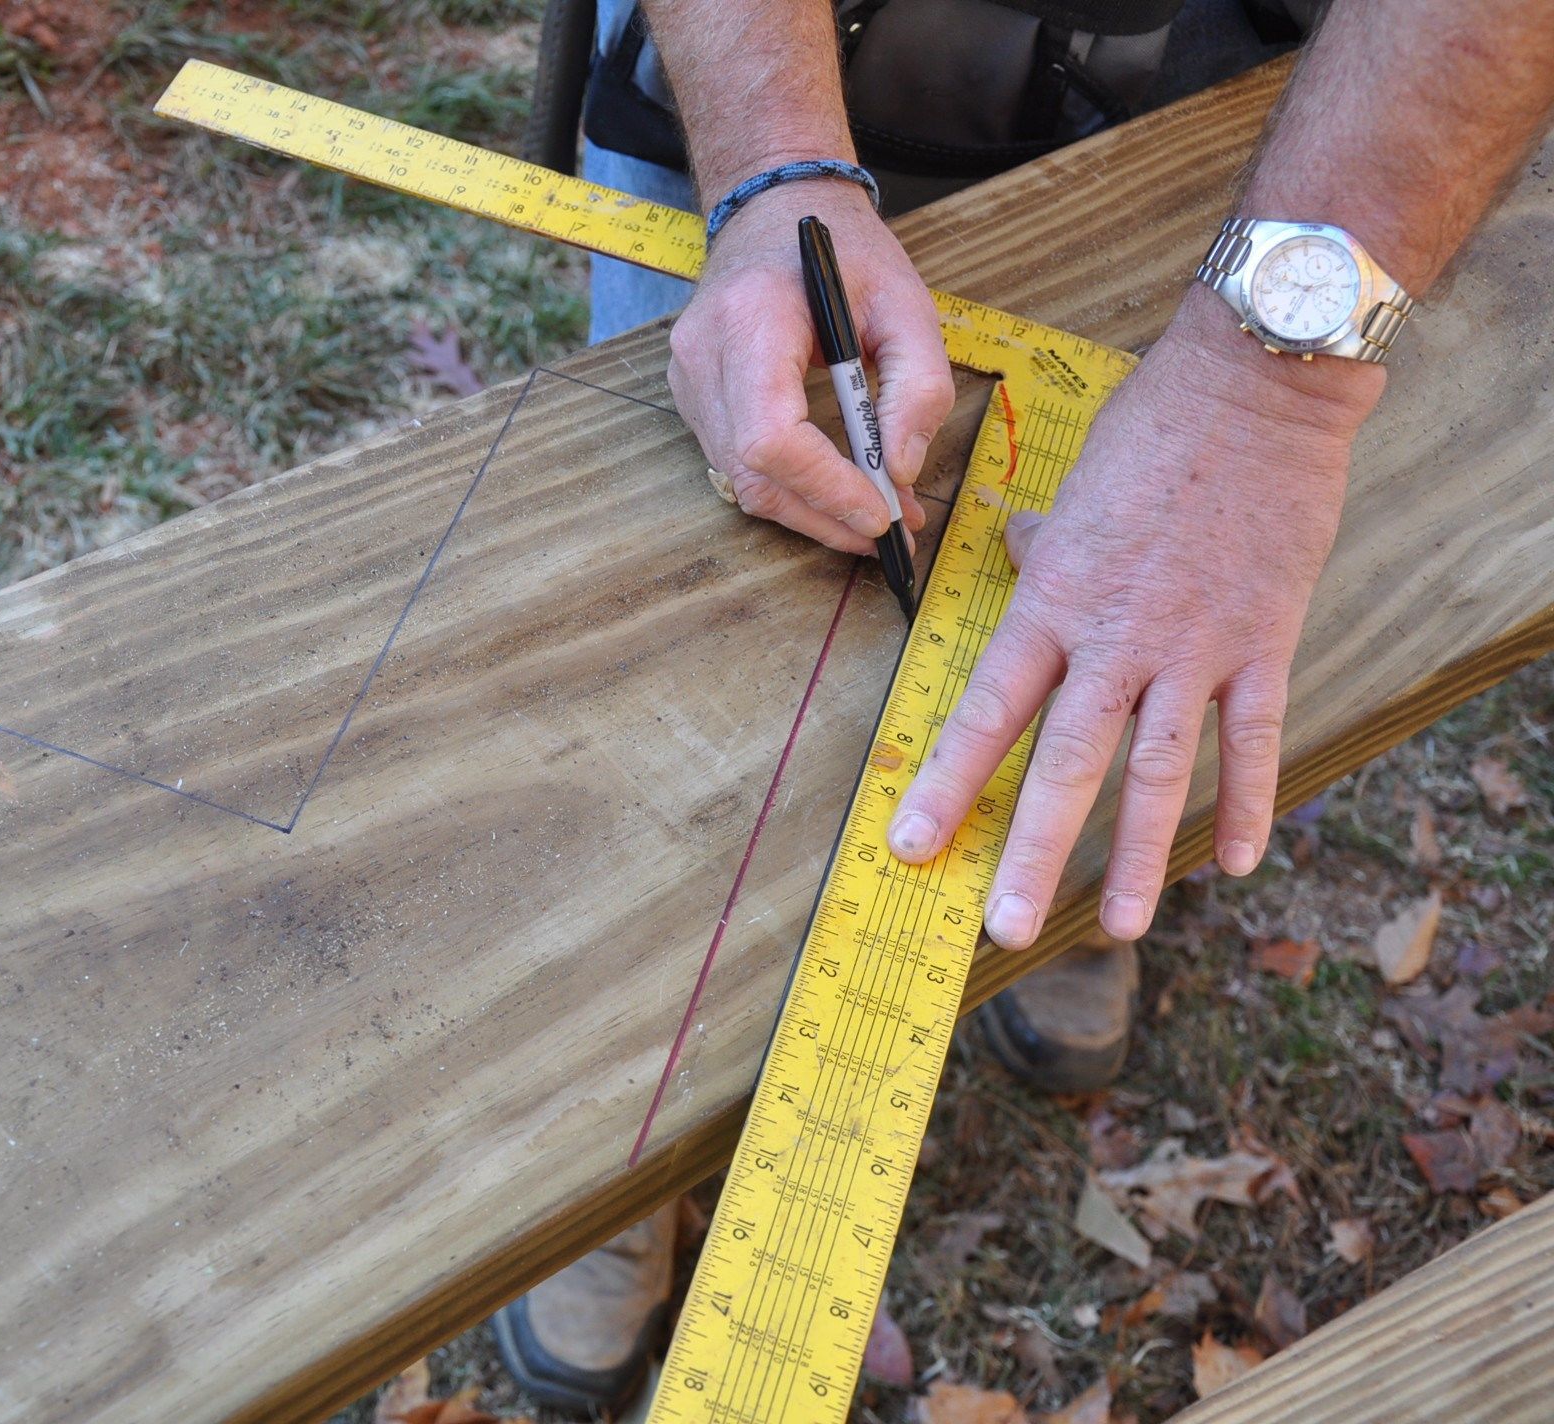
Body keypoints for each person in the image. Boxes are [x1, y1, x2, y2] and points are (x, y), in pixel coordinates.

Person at [490, 0, 1554, 1410]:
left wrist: (1265, 386)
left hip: (1232, 102)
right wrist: (768, 171)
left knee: (1149, 589)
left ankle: (1054, 882)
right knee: (698, 668)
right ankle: (629, 1145)